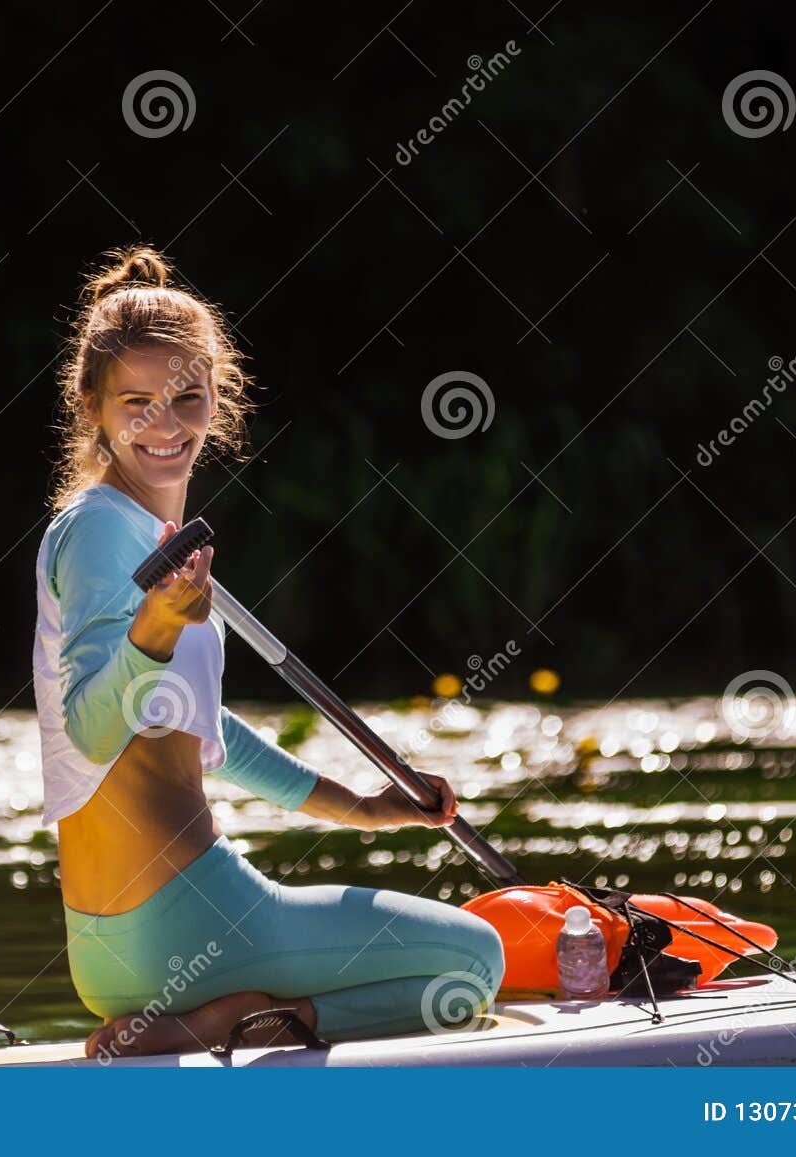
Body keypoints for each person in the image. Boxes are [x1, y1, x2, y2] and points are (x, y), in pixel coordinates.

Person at [33, 245, 505, 1060]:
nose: (165, 423)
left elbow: (198, 724)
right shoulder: (101, 531)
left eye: (187, 396)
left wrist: (359, 806)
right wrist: (155, 628)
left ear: (218, 397)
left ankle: (230, 1005)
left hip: (110, 954)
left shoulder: (144, 536)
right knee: (475, 961)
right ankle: (244, 1015)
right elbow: (87, 728)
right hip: (183, 921)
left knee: (443, 957)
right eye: (136, 402)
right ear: (92, 405)